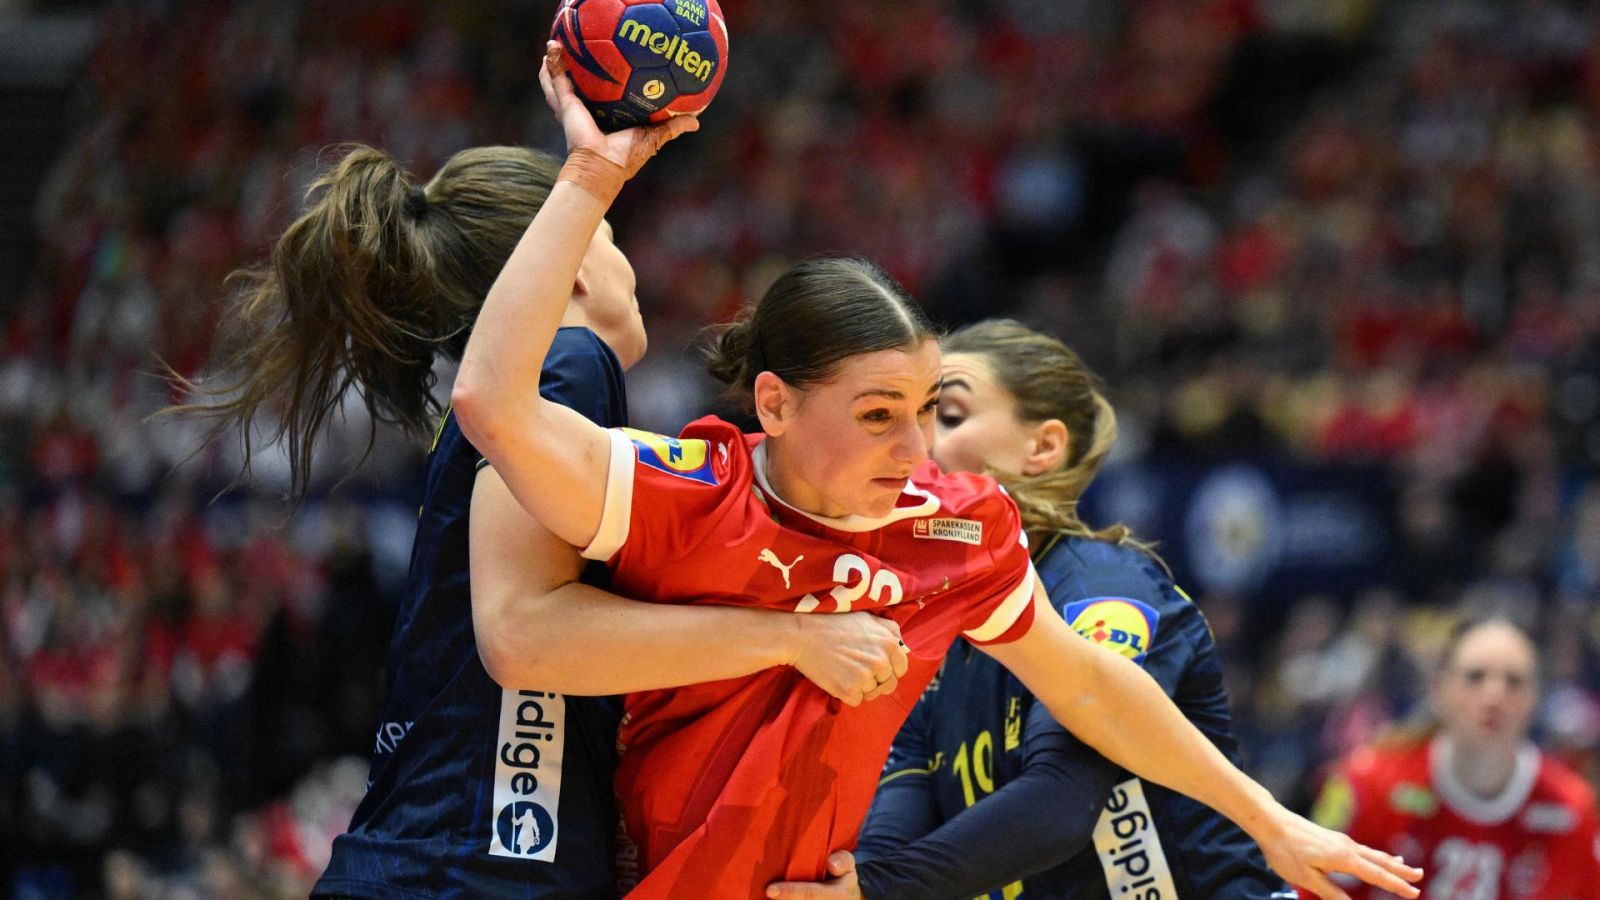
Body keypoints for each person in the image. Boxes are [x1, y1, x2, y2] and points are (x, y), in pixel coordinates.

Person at [446, 44, 1425, 899]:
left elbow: (1086, 686)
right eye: (878, 416)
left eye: (927, 412)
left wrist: (1267, 818)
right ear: (777, 405)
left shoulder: (956, 527)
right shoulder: (683, 487)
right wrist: (589, 175)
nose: (915, 450)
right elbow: (491, 405)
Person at [175, 142, 909, 898]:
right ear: (581, 261)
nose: (630, 268)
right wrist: (796, 640)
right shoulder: (569, 360)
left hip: (449, 860)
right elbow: (525, 636)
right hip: (471, 871)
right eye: (615, 239)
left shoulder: (549, 392)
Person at [791, 319, 1290, 899]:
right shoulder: (940, 620)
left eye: (946, 414)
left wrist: (874, 889)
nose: (917, 443)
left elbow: (1062, 800)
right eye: (906, 416)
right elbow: (898, 818)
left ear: (1043, 447)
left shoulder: (1103, 585)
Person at [1306, 617, 1600, 899]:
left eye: (1514, 681)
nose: (1494, 696)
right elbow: (1311, 890)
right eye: (1475, 677)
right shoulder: (1367, 781)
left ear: (1536, 699)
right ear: (1439, 690)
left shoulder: (1572, 809)